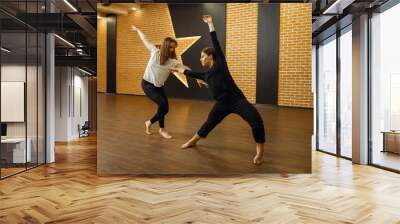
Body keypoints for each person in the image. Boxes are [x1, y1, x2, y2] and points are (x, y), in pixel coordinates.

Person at [171, 15, 266, 165]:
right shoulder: (206, 75)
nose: (200, 59)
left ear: (210, 56)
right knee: (209, 123)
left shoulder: (220, 63)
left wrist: (210, 23)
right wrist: (175, 68)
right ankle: (193, 141)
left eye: (202, 56)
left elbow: (215, 41)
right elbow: (189, 73)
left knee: (256, 121)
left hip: (237, 100)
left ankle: (260, 153)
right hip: (221, 104)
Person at [132, 25, 189, 139]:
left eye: (174, 48)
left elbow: (184, 68)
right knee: (162, 105)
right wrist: (138, 30)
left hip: (159, 87)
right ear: (166, 46)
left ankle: (152, 124)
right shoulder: (155, 52)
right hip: (147, 84)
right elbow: (145, 39)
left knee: (165, 108)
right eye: (171, 47)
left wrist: (197, 77)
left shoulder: (172, 61)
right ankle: (160, 128)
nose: (172, 50)